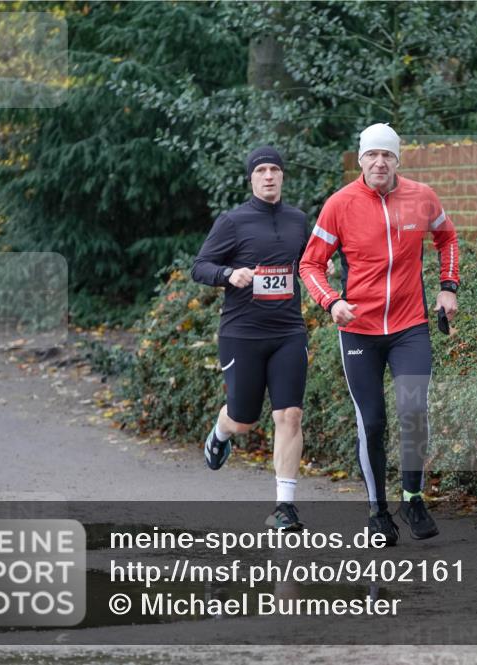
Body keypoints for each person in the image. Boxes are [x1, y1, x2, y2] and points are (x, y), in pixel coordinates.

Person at [299, 123, 459, 545]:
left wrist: (448, 286)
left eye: (387, 155)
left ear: (398, 159)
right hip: (359, 330)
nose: (380, 162)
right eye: (372, 155)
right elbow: (309, 265)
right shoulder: (340, 205)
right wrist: (332, 302)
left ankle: (412, 498)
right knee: (372, 422)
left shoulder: (421, 197)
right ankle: (377, 512)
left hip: (409, 326)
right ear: (361, 159)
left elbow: (448, 237)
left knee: (414, 410)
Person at [191, 146, 309, 531]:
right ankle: (221, 432)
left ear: (283, 176)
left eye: (275, 169)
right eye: (262, 171)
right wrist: (228, 275)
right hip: (242, 334)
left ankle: (285, 507)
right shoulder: (233, 221)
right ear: (252, 179)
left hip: (289, 331)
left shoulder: (298, 220)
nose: (269, 176)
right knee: (244, 420)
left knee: (289, 415)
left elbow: (310, 266)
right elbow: (200, 266)